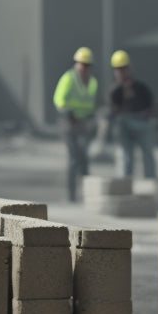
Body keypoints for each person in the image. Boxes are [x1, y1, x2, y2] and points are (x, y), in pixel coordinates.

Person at [53, 47, 98, 201]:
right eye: (82, 64)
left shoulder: (92, 82)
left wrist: (91, 121)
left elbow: (91, 104)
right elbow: (59, 100)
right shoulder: (68, 78)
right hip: (68, 123)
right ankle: (72, 195)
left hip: (84, 124)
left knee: (84, 157)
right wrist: (70, 117)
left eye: (87, 65)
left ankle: (88, 193)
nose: (84, 68)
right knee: (74, 158)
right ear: (77, 64)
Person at [108, 49, 157, 179]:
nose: (122, 73)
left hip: (141, 123)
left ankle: (150, 182)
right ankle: (125, 184)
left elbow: (151, 106)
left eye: (124, 69)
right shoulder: (115, 91)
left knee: (148, 153)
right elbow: (113, 109)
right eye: (119, 70)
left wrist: (148, 117)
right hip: (123, 125)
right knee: (126, 156)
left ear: (129, 69)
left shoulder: (141, 88)